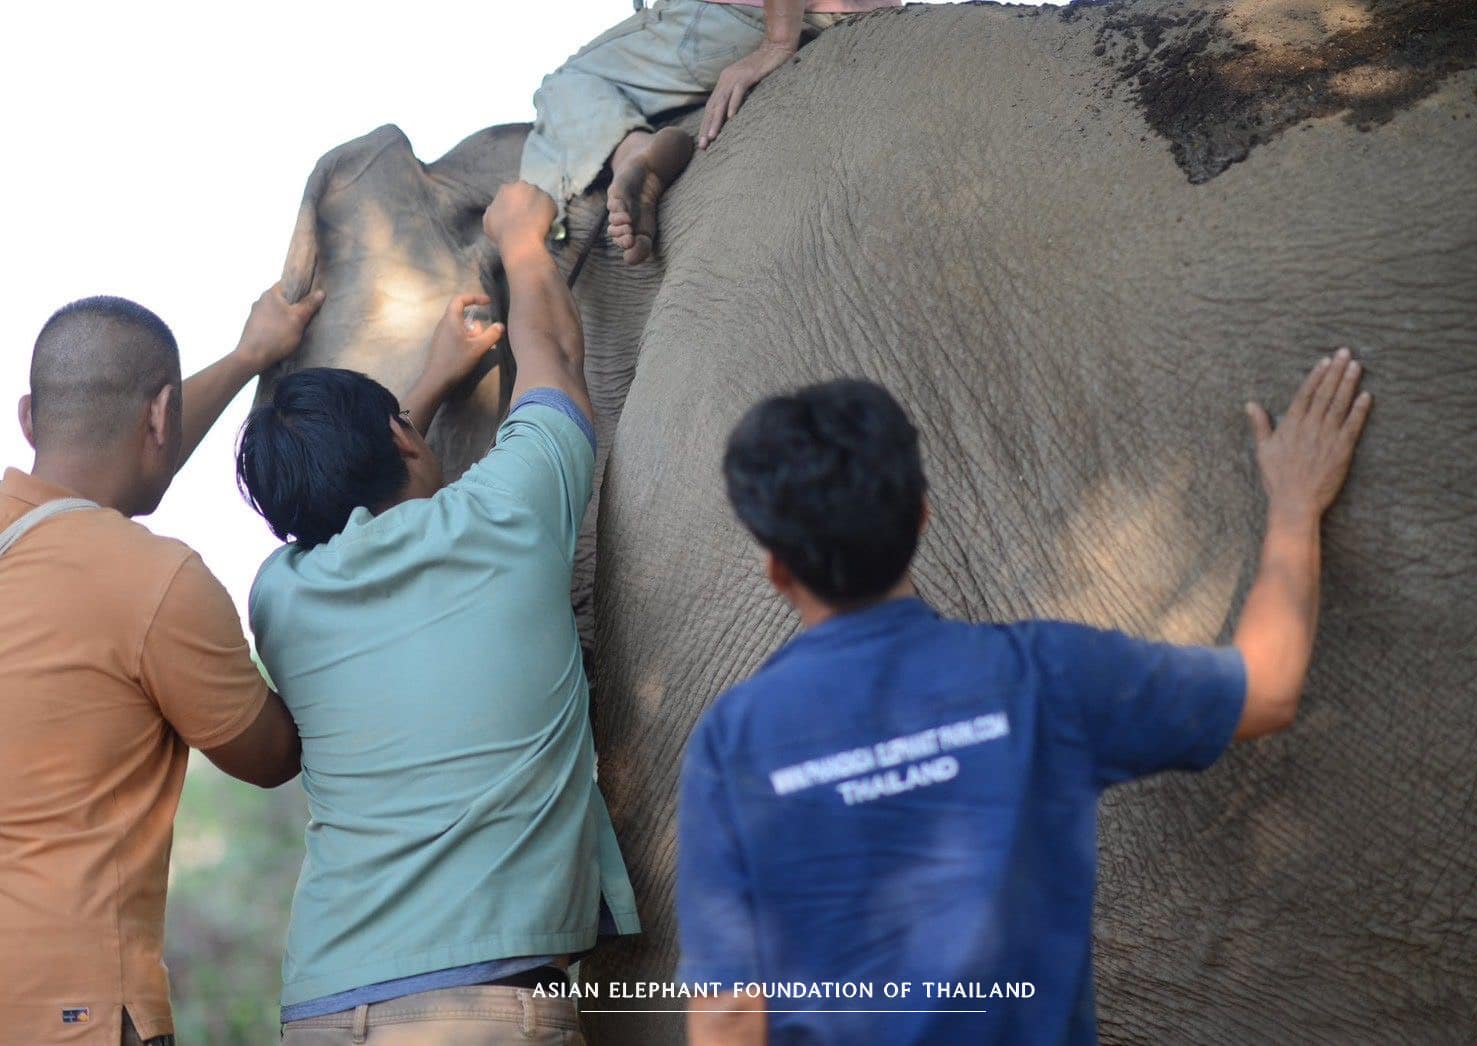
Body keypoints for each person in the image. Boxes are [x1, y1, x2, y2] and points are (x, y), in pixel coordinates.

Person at [677, 355, 1373, 1044]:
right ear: (922, 516)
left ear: (776, 566)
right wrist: (1293, 505)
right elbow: (1268, 690)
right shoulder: (1047, 677)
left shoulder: (732, 743)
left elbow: (729, 1018)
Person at [235, 181, 638, 1045]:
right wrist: (523, 240)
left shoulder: (279, 596)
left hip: (321, 1006)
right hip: (483, 1009)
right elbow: (556, 364)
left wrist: (419, 391)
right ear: (405, 443)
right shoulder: (507, 514)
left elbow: (344, 503)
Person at [0, 286, 324, 1046]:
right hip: (74, 1012)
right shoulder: (156, 583)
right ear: (159, 416)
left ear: (26, 418)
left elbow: (126, 457)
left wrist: (248, 359)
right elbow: (272, 757)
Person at [522, 0, 901, 264]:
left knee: (566, 83)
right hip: (859, 12)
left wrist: (777, 42)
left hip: (739, 16)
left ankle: (633, 151)